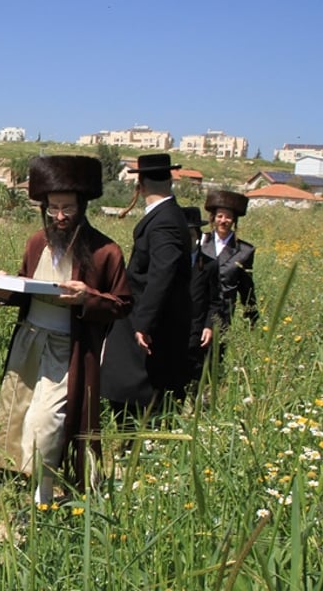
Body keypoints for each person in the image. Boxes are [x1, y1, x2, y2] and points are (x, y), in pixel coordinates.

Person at [0, 155, 131, 500]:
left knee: (46, 425)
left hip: (67, 351)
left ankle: (46, 498)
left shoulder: (105, 251)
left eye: (67, 208)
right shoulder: (37, 242)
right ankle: (39, 493)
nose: (60, 217)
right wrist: (8, 286)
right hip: (29, 344)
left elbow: (122, 304)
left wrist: (88, 297)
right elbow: (26, 286)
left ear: (82, 206)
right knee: (19, 419)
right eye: (53, 209)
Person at [100, 153, 193, 430]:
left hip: (144, 326)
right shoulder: (169, 215)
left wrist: (144, 323)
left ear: (139, 185)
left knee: (133, 393)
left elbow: (162, 273)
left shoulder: (164, 220)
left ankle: (133, 447)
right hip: (146, 321)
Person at [199, 189, 259, 327]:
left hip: (223, 314)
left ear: (234, 221)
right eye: (219, 216)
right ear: (213, 218)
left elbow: (246, 287)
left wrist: (252, 318)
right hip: (199, 310)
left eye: (228, 217)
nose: (223, 221)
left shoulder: (245, 251)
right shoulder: (201, 241)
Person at [183, 205, 227, 391]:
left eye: (191, 234)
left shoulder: (209, 265)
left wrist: (209, 325)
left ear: (198, 236)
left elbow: (216, 300)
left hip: (196, 328)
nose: (187, 239)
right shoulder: (169, 263)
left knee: (195, 374)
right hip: (174, 329)